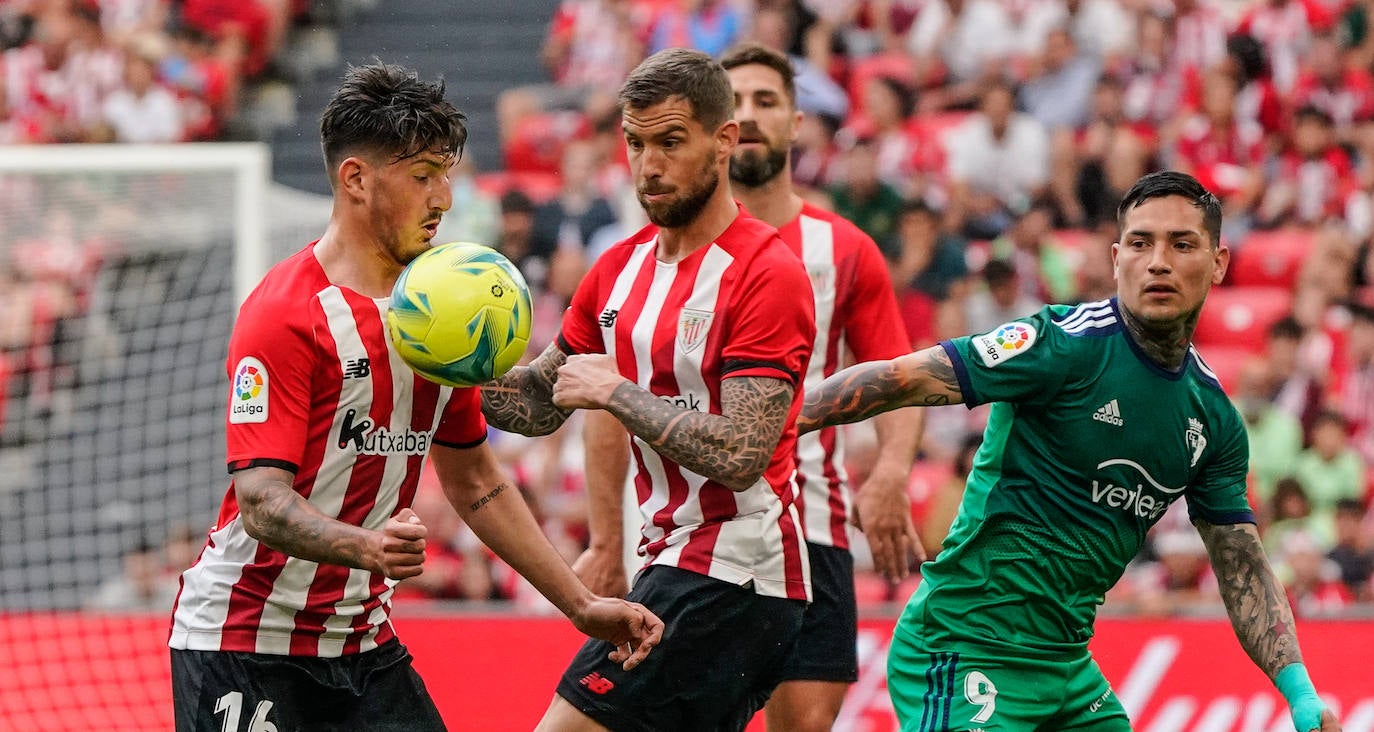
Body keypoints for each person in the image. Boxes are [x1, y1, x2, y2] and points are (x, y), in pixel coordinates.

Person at [167, 62, 662, 732]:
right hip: (245, 644)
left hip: (364, 647)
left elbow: (477, 482)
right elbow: (261, 504)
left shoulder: (440, 315)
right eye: (423, 175)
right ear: (356, 180)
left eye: (446, 174)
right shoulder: (285, 314)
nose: (445, 199)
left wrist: (577, 604)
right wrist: (365, 547)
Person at [796, 171, 1341, 732]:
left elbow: (1241, 564)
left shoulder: (1215, 421)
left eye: (1181, 244)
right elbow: (904, 378)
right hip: (967, 642)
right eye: (1140, 243)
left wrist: (1300, 694)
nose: (1158, 261)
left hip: (1066, 668)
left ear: (1220, 263)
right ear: (1115, 258)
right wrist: (786, 423)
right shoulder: (1063, 343)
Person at [481, 48, 817, 731]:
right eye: (635, 144)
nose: (648, 164)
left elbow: (741, 452)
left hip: (736, 568)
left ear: (724, 141)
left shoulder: (765, 272)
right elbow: (541, 403)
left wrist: (617, 394)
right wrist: (452, 372)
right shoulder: (618, 268)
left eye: (670, 142)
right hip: (671, 562)